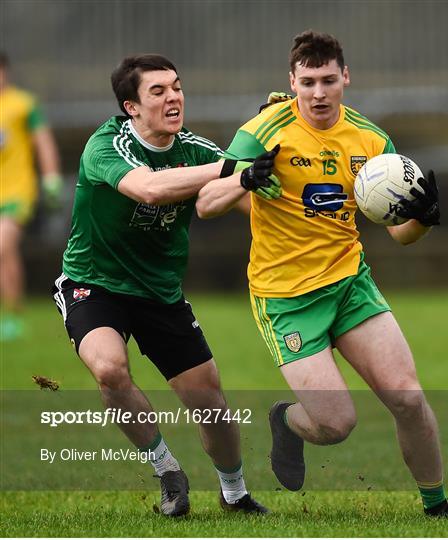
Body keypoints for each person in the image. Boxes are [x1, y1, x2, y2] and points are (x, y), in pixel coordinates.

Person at [196, 30, 448, 518]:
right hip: (285, 297)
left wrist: (423, 217)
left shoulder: (370, 139)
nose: (317, 93)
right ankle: (287, 421)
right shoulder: (262, 130)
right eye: (307, 82)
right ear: (291, 82)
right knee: (336, 423)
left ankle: (438, 505)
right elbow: (206, 203)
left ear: (345, 77)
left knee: (408, 399)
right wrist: (243, 178)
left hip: (349, 284)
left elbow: (400, 235)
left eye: (327, 80)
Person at [52, 54, 280, 517]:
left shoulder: (196, 149)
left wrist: (277, 147)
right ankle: (167, 471)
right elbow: (150, 188)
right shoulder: (106, 145)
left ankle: (234, 493)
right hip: (94, 283)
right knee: (109, 369)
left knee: (209, 402)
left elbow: (255, 201)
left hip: (160, 292)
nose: (173, 97)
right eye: (157, 91)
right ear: (131, 106)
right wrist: (233, 169)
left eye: (176, 87)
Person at [0, 52, 63, 341]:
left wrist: (51, 179)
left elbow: (43, 142)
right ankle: (10, 312)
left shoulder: (23, 104)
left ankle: (13, 316)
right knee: (5, 254)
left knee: (2, 247)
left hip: (16, 191)